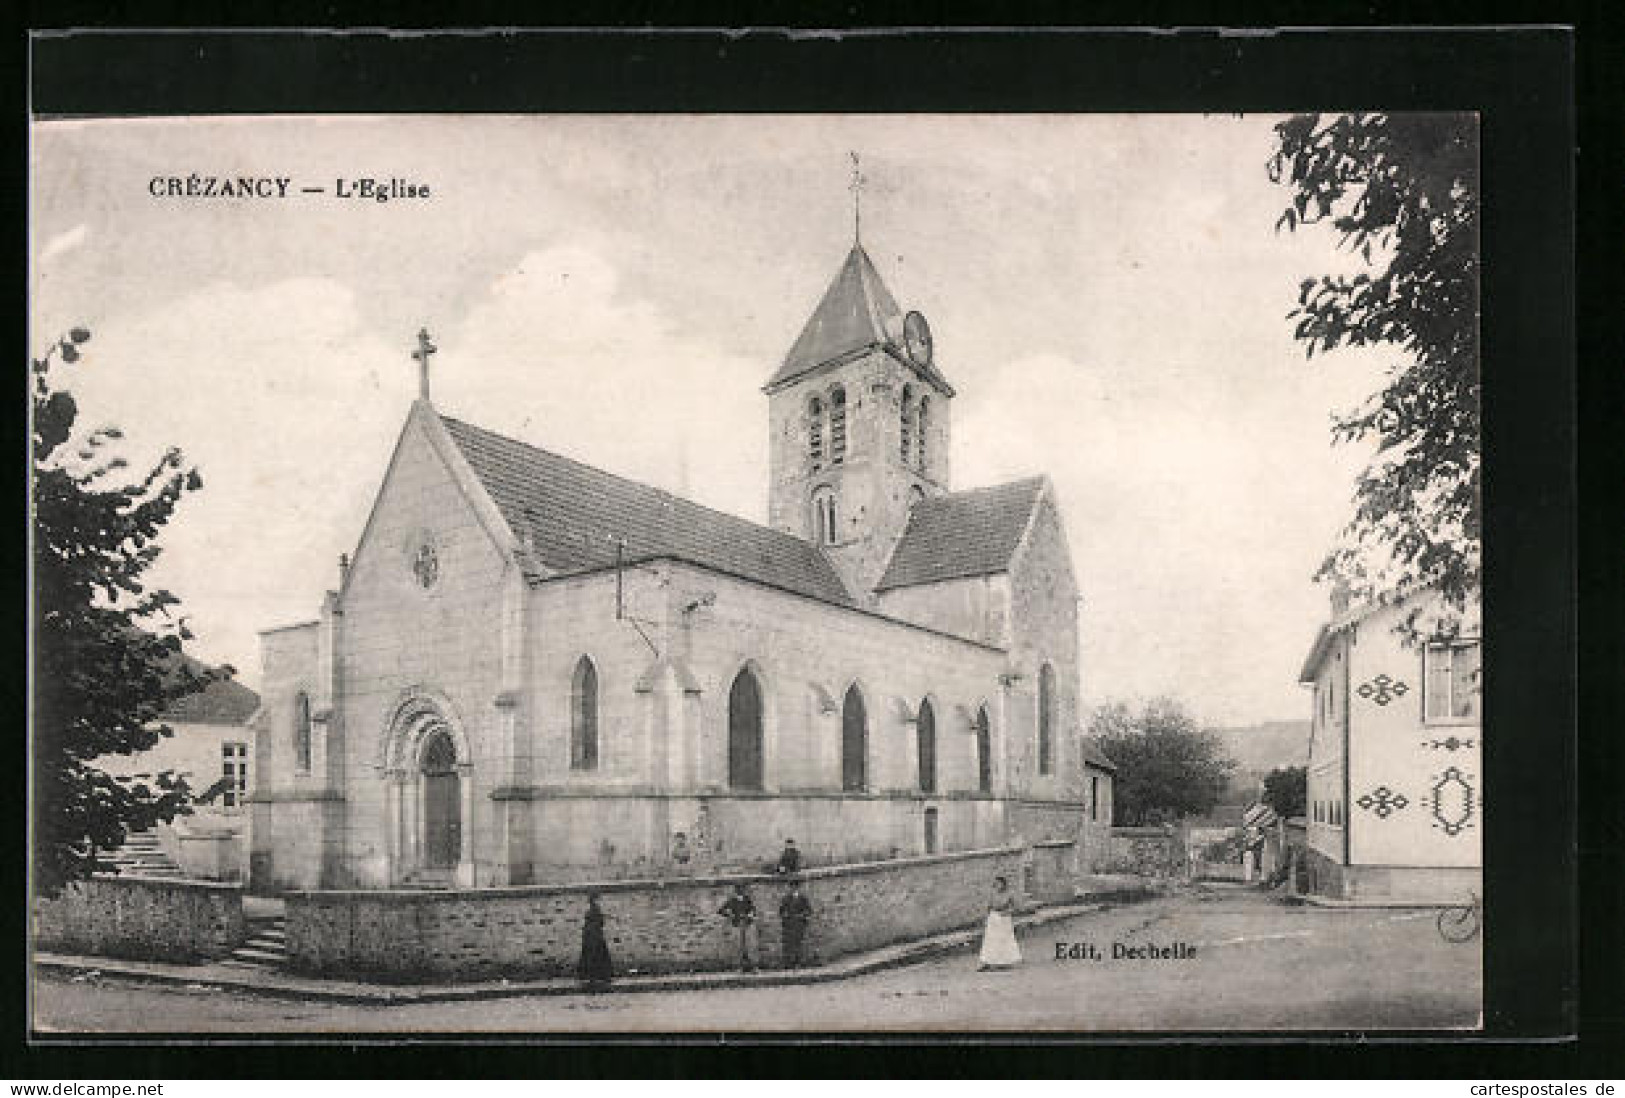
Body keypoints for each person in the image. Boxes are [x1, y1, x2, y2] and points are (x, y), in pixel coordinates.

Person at [977, 875, 1022, 971]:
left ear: (1003, 884)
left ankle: (1004, 962)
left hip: (1004, 920)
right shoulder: (992, 894)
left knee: (1003, 940)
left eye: (999, 883)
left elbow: (1016, 907)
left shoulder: (1009, 894)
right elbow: (988, 907)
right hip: (993, 919)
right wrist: (986, 918)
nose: (997, 885)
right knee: (990, 940)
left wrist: (1007, 912)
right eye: (995, 884)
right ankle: (988, 962)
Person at [718, 883, 758, 972]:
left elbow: (753, 910)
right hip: (737, 925)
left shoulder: (747, 900)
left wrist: (750, 914)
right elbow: (721, 910)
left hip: (747, 924)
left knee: (749, 945)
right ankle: (738, 966)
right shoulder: (732, 901)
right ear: (736, 891)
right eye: (739, 889)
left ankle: (752, 966)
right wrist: (730, 914)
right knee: (738, 946)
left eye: (742, 889)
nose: (741, 891)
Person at [576, 893, 613, 990]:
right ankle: (598, 976)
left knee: (594, 955)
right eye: (596, 899)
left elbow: (598, 922)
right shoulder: (595, 910)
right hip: (594, 935)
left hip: (592, 935)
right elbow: (600, 922)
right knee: (596, 955)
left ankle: (594, 976)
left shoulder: (592, 910)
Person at [778, 880, 814, 968]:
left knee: (798, 943)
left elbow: (809, 910)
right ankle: (789, 962)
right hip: (789, 924)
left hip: (799, 923)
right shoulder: (786, 899)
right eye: (791, 887)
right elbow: (781, 911)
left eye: (795, 886)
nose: (793, 889)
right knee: (789, 943)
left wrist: (802, 916)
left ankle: (798, 962)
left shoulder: (803, 898)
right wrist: (784, 915)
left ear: (798, 887)